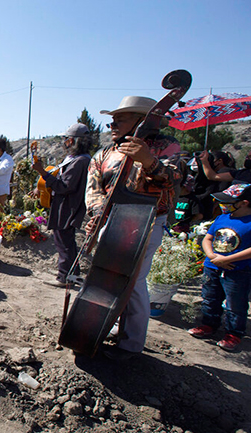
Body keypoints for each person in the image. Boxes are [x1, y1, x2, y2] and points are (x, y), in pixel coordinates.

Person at [85, 95, 180, 361]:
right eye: (112, 121)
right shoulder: (104, 153)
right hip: (111, 220)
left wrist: (149, 160)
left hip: (147, 222)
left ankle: (132, 343)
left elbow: (174, 179)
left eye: (120, 119)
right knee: (105, 279)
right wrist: (97, 214)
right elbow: (93, 190)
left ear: (142, 121)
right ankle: (107, 324)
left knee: (134, 282)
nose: (113, 125)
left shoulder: (166, 147)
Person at [188, 183, 251, 352]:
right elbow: (208, 238)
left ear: (244, 203)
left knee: (235, 303)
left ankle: (234, 333)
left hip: (238, 270)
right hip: (213, 266)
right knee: (210, 297)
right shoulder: (222, 218)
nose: (222, 204)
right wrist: (211, 256)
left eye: (227, 202)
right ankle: (209, 324)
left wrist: (227, 259)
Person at [32, 123, 92, 287]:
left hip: (67, 207)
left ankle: (64, 277)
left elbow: (63, 186)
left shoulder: (79, 162)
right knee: (67, 242)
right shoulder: (79, 159)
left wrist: (42, 172)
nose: (64, 142)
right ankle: (72, 274)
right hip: (67, 205)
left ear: (72, 141)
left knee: (64, 243)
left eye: (66, 139)